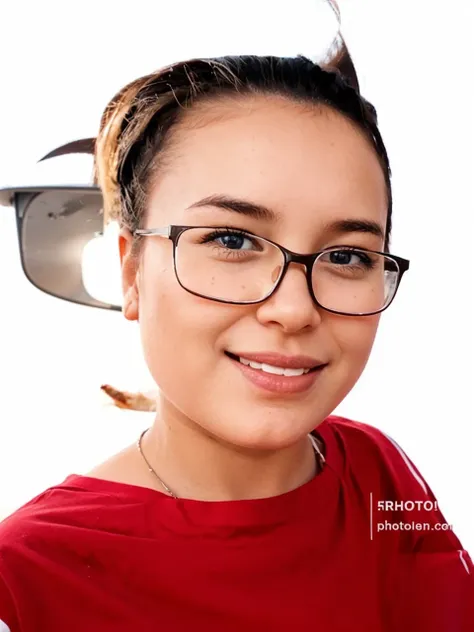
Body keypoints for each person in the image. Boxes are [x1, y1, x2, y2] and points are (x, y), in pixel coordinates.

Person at [0, 49, 472, 632]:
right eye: (232, 240)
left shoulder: (381, 477)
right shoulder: (24, 581)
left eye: (348, 255)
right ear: (131, 273)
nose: (294, 309)